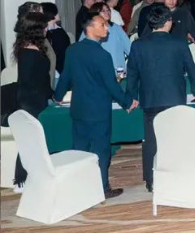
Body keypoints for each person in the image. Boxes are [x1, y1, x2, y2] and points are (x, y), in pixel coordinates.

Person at [55, 13, 137, 198]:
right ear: (90, 28)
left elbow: (66, 77)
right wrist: (127, 102)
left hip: (79, 108)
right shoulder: (102, 55)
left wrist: (58, 96)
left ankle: (79, 187)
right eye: (102, 25)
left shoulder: (73, 50)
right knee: (101, 150)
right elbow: (112, 86)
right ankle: (102, 188)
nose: (107, 28)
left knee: (79, 149)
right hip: (99, 110)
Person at [126, 5, 195, 192]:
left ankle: (151, 180)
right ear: (168, 22)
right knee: (175, 137)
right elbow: (192, 71)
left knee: (151, 140)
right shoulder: (179, 43)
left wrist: (131, 97)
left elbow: (132, 75)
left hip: (150, 99)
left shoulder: (138, 45)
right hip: (174, 98)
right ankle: (176, 175)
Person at [11, 12, 55, 192]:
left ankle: (33, 175)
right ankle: (21, 179)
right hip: (31, 100)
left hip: (35, 98)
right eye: (44, 26)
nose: (47, 29)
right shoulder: (29, 52)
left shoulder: (28, 48)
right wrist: (48, 94)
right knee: (30, 139)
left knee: (35, 139)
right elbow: (30, 80)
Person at [79, 3, 132, 73]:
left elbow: (129, 48)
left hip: (118, 70)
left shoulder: (116, 28)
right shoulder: (89, 30)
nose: (107, 12)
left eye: (108, 10)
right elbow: (82, 52)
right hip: (98, 71)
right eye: (103, 11)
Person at [41, 2, 71, 75]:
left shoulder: (58, 30)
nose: (59, 14)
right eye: (56, 12)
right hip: (56, 71)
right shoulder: (50, 32)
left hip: (63, 68)